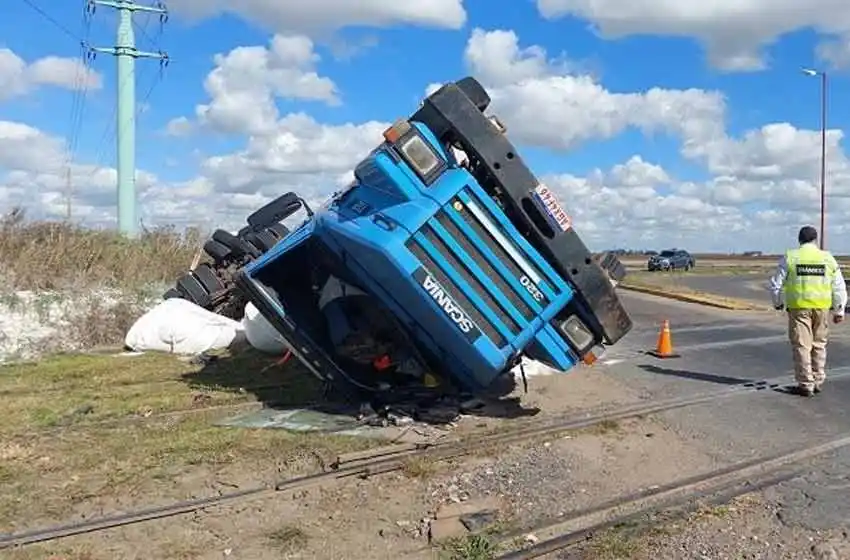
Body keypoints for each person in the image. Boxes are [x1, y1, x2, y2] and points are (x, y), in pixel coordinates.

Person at [767, 226, 847, 396]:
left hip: (799, 308)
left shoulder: (791, 257)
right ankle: (818, 380)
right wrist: (839, 310)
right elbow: (839, 286)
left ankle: (806, 383)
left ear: (799, 240)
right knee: (819, 344)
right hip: (822, 308)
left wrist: (778, 303)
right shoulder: (827, 258)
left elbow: (776, 285)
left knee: (802, 345)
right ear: (815, 239)